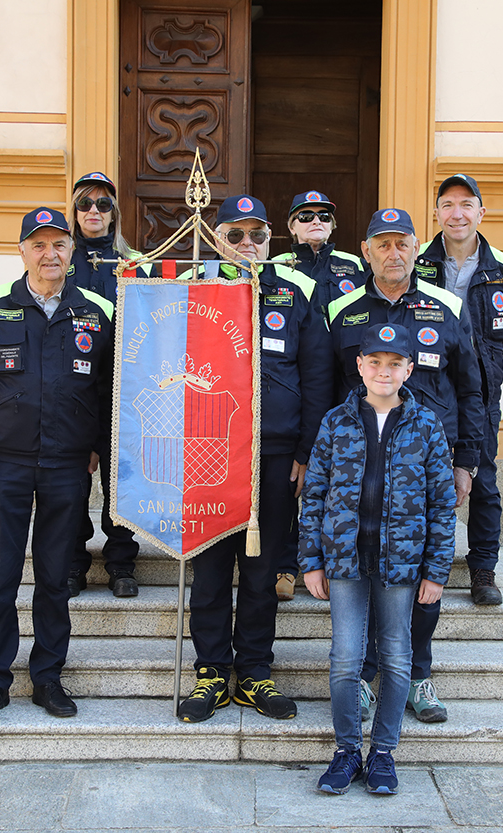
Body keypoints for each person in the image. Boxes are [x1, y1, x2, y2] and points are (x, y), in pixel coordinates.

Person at [0, 206, 114, 723]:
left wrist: (96, 447)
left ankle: (47, 678)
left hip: (68, 467)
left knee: (54, 578)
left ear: (72, 251)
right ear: (22, 251)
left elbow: (108, 390)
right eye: (39, 245)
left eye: (59, 245)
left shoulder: (96, 311)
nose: (50, 254)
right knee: (0, 578)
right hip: (4, 466)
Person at [176, 194, 333, 723]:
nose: (247, 245)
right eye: (235, 235)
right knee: (212, 566)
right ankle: (212, 673)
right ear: (217, 238)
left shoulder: (296, 293)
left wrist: (307, 451)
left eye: (257, 235)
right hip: (208, 449)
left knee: (263, 570)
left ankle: (256, 672)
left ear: (272, 240)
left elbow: (317, 378)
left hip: (274, 453)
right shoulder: (191, 290)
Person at [327, 208, 485, 725]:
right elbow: (327, 390)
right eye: (383, 244)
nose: (393, 253)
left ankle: (418, 674)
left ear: (418, 248)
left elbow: (470, 388)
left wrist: (467, 459)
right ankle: (371, 675)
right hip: (359, 473)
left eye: (403, 244)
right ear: (366, 251)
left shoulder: (446, 306)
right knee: (369, 572)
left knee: (421, 575)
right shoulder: (344, 310)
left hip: (423, 471)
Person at [300, 322, 456, 796]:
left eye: (394, 363)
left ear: (409, 369)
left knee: (395, 656)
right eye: (375, 362)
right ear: (360, 366)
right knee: (346, 658)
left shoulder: (426, 425)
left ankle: (383, 752)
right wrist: (311, 559)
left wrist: (436, 571)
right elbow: (315, 493)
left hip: (402, 564)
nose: (383, 371)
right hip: (345, 560)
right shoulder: (336, 421)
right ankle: (347, 750)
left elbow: (442, 503)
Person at [415, 173, 503, 606]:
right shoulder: (418, 260)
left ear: (481, 211)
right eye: (447, 205)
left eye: (466, 204)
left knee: (483, 478)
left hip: (481, 395)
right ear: (437, 213)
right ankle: (420, 563)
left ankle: (482, 569)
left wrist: (484, 368)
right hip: (428, 390)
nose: (456, 213)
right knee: (420, 476)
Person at [270, 190, 366, 601]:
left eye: (324, 215)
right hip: (298, 387)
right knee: (293, 481)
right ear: (290, 226)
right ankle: (288, 565)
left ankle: (332, 560)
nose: (315, 221)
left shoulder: (355, 266)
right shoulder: (273, 268)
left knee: (335, 480)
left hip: (343, 388)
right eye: (305, 216)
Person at [65, 171, 142, 599]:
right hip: (73, 393)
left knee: (121, 483)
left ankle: (121, 563)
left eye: (103, 204)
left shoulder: (136, 264)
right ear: (74, 211)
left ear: (115, 212)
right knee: (72, 484)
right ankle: (74, 562)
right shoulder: (60, 258)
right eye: (85, 204)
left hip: (123, 391)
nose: (93, 211)